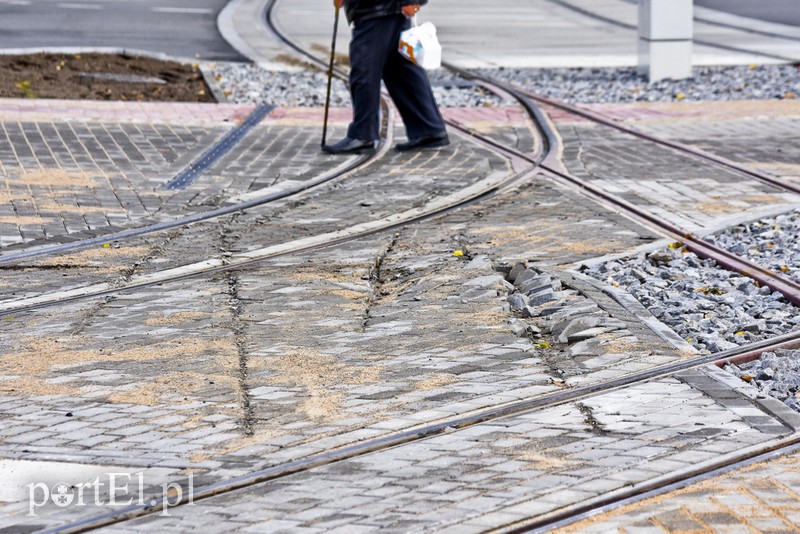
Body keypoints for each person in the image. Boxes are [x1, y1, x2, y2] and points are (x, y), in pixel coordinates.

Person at [323, 0, 449, 154]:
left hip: (378, 9)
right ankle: (428, 129)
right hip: (383, 8)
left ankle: (363, 135)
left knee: (364, 70)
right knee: (399, 68)